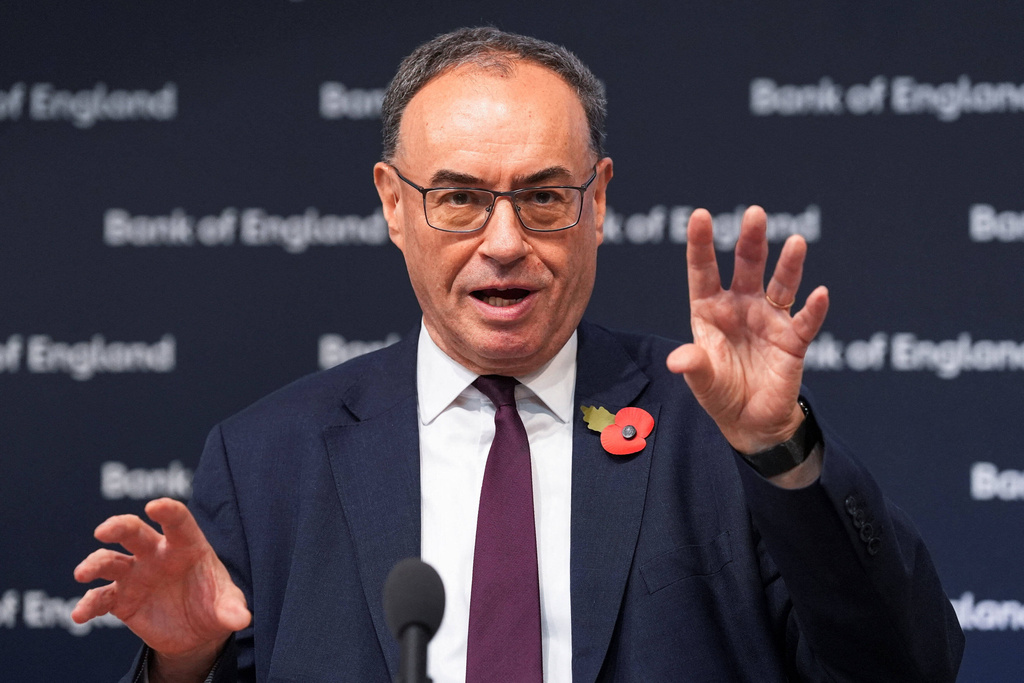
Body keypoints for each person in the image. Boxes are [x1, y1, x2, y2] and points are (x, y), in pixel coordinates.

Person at [72, 27, 964, 683]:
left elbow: (908, 667)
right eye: (458, 198)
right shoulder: (268, 458)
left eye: (544, 196)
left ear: (599, 200)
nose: (505, 241)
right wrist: (183, 663)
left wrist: (781, 449)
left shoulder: (715, 431)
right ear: (394, 203)